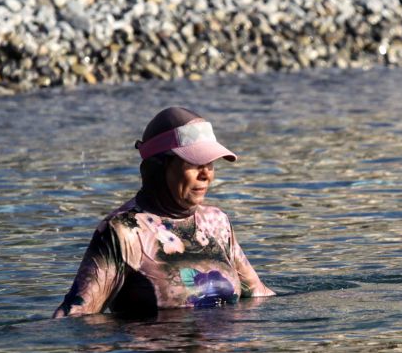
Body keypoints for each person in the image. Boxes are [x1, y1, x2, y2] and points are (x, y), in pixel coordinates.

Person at [53, 106, 275, 318]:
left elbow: (258, 296)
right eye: (194, 162)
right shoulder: (123, 232)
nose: (206, 174)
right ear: (159, 167)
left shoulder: (216, 223)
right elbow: (77, 317)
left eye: (211, 163)